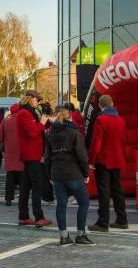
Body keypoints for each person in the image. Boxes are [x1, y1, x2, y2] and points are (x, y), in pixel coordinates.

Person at [45, 107, 94, 246]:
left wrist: (49, 175)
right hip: (73, 173)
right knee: (84, 202)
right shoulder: (74, 133)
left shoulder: (50, 134)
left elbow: (47, 157)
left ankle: (63, 236)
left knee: (61, 205)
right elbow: (82, 156)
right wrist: (86, 173)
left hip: (57, 174)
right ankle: (80, 235)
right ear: (69, 118)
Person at [88, 95, 128, 232]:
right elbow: (123, 140)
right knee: (117, 190)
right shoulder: (121, 120)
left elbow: (96, 142)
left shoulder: (101, 120)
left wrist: (91, 161)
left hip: (104, 160)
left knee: (104, 192)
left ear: (100, 106)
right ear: (112, 103)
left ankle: (103, 222)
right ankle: (122, 219)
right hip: (117, 159)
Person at [16, 90, 52, 228]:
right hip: (31, 154)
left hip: (33, 153)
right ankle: (39, 217)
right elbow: (31, 132)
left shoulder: (32, 112)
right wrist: (42, 123)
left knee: (26, 186)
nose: (39, 102)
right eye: (37, 99)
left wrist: (45, 121)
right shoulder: (24, 113)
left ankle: (23, 216)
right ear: (30, 98)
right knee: (37, 184)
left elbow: (37, 129)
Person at [0, 104, 23, 206]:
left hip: (9, 153)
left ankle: (8, 199)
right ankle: (22, 199)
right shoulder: (23, 120)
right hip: (22, 152)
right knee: (22, 177)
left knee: (10, 176)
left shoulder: (5, 121)